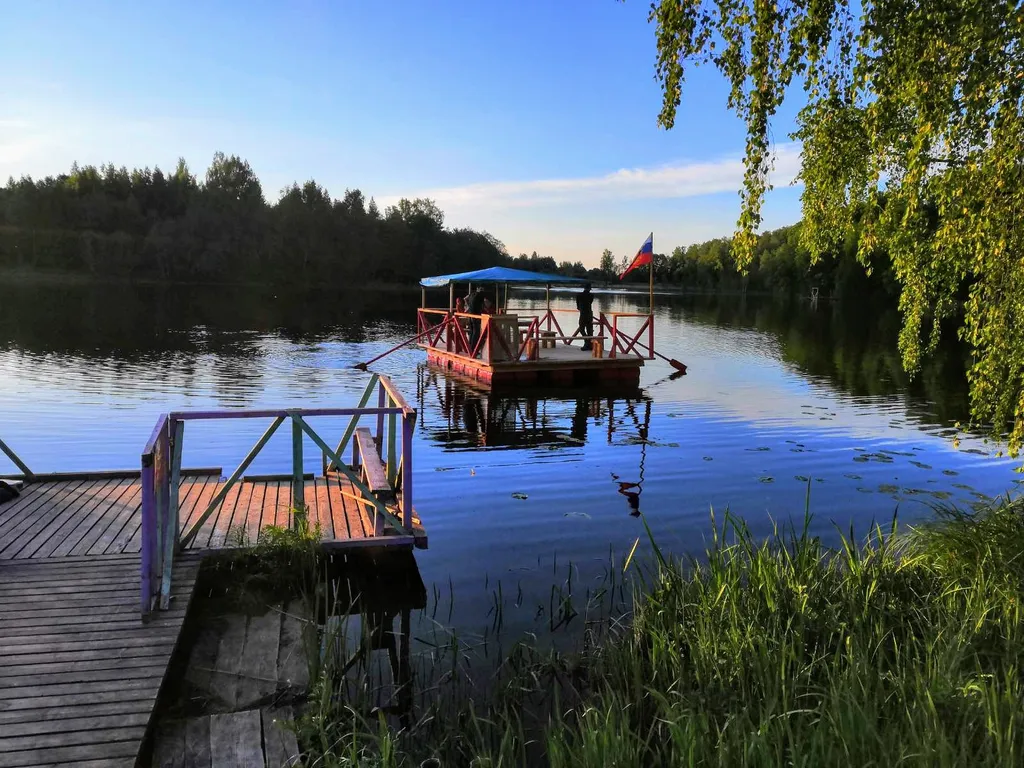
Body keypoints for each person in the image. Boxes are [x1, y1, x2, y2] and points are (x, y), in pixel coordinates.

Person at [467, 286, 486, 353]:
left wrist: (469, 306)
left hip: (470, 316)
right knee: (476, 333)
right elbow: (484, 305)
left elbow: (465, 299)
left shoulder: (471, 294)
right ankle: (473, 350)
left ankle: (469, 348)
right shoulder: (480, 295)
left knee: (472, 332)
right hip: (476, 316)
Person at [576, 283, 594, 351]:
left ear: (584, 288)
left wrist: (580, 308)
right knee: (589, 330)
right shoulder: (591, 295)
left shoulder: (579, 295)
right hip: (589, 314)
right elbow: (590, 302)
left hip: (583, 314)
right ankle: (589, 344)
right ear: (589, 289)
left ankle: (587, 342)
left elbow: (578, 306)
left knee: (581, 328)